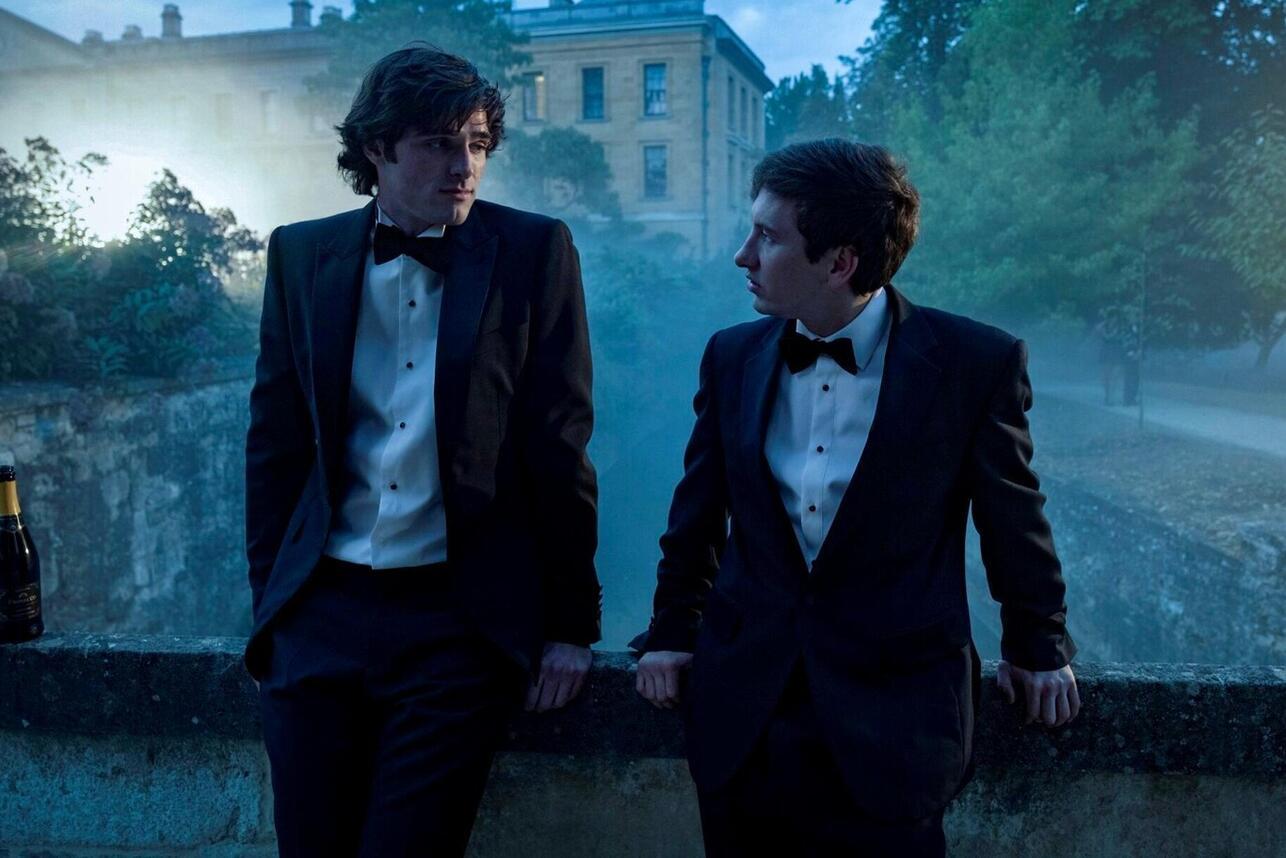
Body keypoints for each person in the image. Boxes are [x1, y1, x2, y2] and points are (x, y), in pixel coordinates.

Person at [633, 139, 1080, 856]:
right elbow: (697, 516)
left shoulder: (974, 363)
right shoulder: (731, 356)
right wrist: (670, 633)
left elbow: (1013, 518)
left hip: (897, 726)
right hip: (744, 716)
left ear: (840, 262)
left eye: (768, 237)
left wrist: (1039, 645)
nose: (743, 255)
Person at [244, 45, 600, 857]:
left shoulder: (535, 252)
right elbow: (275, 447)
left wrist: (571, 627)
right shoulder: (301, 255)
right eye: (440, 144)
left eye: (477, 144)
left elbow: (559, 447)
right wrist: (273, 612)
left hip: (457, 623)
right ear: (377, 148)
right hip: (319, 616)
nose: (464, 166)